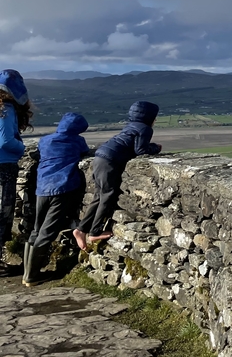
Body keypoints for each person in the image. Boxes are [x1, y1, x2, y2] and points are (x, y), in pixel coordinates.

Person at [75, 101, 162, 245]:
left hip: (100, 156)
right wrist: (155, 148)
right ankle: (94, 232)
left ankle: (81, 229)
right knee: (107, 194)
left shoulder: (130, 126)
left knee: (98, 195)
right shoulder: (145, 129)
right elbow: (140, 150)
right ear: (150, 117)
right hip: (110, 160)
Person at [23, 112, 89, 286]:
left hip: (42, 188)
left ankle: (26, 273)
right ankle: (32, 276)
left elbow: (37, 154)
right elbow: (85, 153)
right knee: (47, 232)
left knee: (36, 230)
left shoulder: (45, 140)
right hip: (63, 187)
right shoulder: (77, 141)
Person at [0, 69, 32, 277]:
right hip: (4, 167)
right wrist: (21, 148)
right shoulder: (5, 109)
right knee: (3, 213)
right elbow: (5, 141)